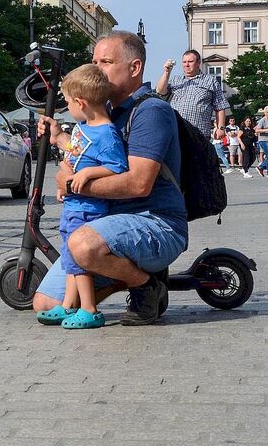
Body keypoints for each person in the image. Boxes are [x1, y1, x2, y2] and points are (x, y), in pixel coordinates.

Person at [35, 30, 187, 326]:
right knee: (45, 302)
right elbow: (80, 152)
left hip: (155, 222)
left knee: (81, 245)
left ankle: (145, 285)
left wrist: (72, 183)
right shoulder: (102, 115)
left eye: (105, 62)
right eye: (94, 61)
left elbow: (138, 184)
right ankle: (125, 274)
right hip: (106, 225)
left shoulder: (150, 112)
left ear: (134, 68)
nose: (95, 69)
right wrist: (60, 138)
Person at [35, 65, 128, 329]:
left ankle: (89, 309)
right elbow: (74, 151)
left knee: (78, 260)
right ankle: (67, 304)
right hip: (74, 205)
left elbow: (117, 167)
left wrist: (87, 174)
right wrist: (59, 141)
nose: (66, 107)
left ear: (81, 103)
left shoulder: (106, 133)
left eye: (67, 102)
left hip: (89, 208)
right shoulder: (83, 126)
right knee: (68, 257)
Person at [156, 50, 229, 140]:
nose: (186, 65)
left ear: (198, 63)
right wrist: (167, 72)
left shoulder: (210, 81)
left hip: (199, 135)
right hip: (176, 133)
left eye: (190, 62)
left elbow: (220, 106)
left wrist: (221, 128)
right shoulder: (175, 80)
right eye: (184, 62)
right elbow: (160, 91)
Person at [255, 106, 268, 177]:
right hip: (263, 140)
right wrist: (266, 130)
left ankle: (261, 167)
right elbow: (257, 130)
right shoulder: (262, 120)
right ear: (265, 113)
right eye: (267, 112)